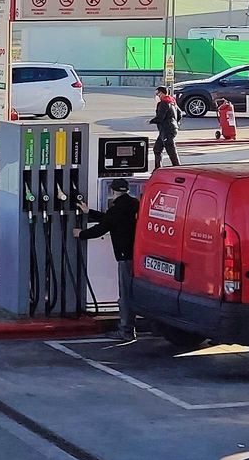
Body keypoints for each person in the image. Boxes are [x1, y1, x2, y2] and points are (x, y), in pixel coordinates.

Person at [76, 178, 141, 340]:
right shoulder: (135, 203)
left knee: (125, 294)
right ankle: (130, 328)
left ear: (112, 191)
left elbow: (103, 226)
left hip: (125, 256)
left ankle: (126, 330)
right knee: (132, 292)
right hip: (139, 254)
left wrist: (81, 234)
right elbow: (110, 219)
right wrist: (89, 212)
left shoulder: (116, 208)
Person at [150, 85, 180, 169]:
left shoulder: (163, 103)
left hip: (167, 130)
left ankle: (177, 168)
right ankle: (157, 168)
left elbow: (160, 118)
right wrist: (176, 123)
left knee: (171, 151)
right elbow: (179, 113)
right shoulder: (171, 101)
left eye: (157, 94)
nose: (156, 96)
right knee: (157, 149)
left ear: (162, 93)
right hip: (167, 130)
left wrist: (150, 121)